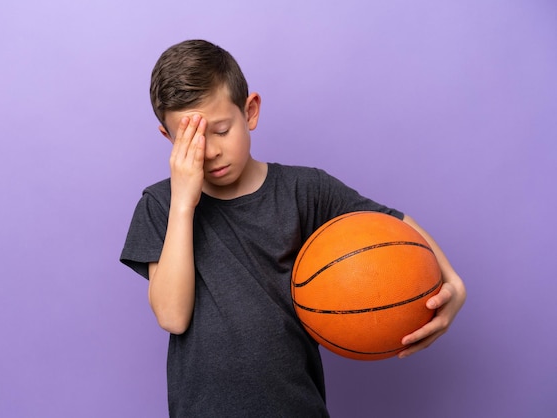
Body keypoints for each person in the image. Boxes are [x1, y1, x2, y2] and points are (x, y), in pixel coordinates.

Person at [120, 39, 466, 417]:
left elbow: (395, 225)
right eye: (192, 142)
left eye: (221, 131)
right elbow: (172, 315)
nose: (212, 151)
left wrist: (454, 283)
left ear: (250, 111)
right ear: (168, 139)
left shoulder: (305, 190)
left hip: (295, 405)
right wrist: (184, 202)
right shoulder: (161, 204)